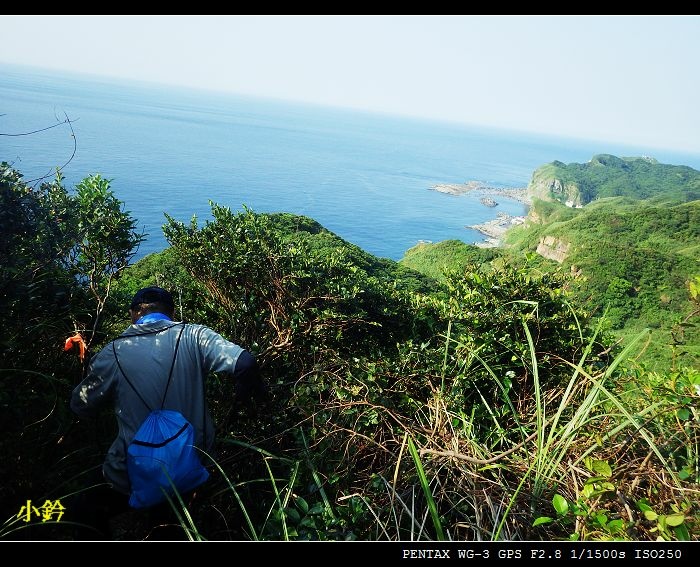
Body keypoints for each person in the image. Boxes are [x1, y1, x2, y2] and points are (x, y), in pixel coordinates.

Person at [69, 286, 266, 539]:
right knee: (173, 525)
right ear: (171, 313)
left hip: (136, 472)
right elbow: (245, 363)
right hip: (194, 463)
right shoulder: (194, 335)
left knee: (83, 509)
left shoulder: (113, 352)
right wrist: (248, 404)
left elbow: (81, 405)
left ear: (133, 313)